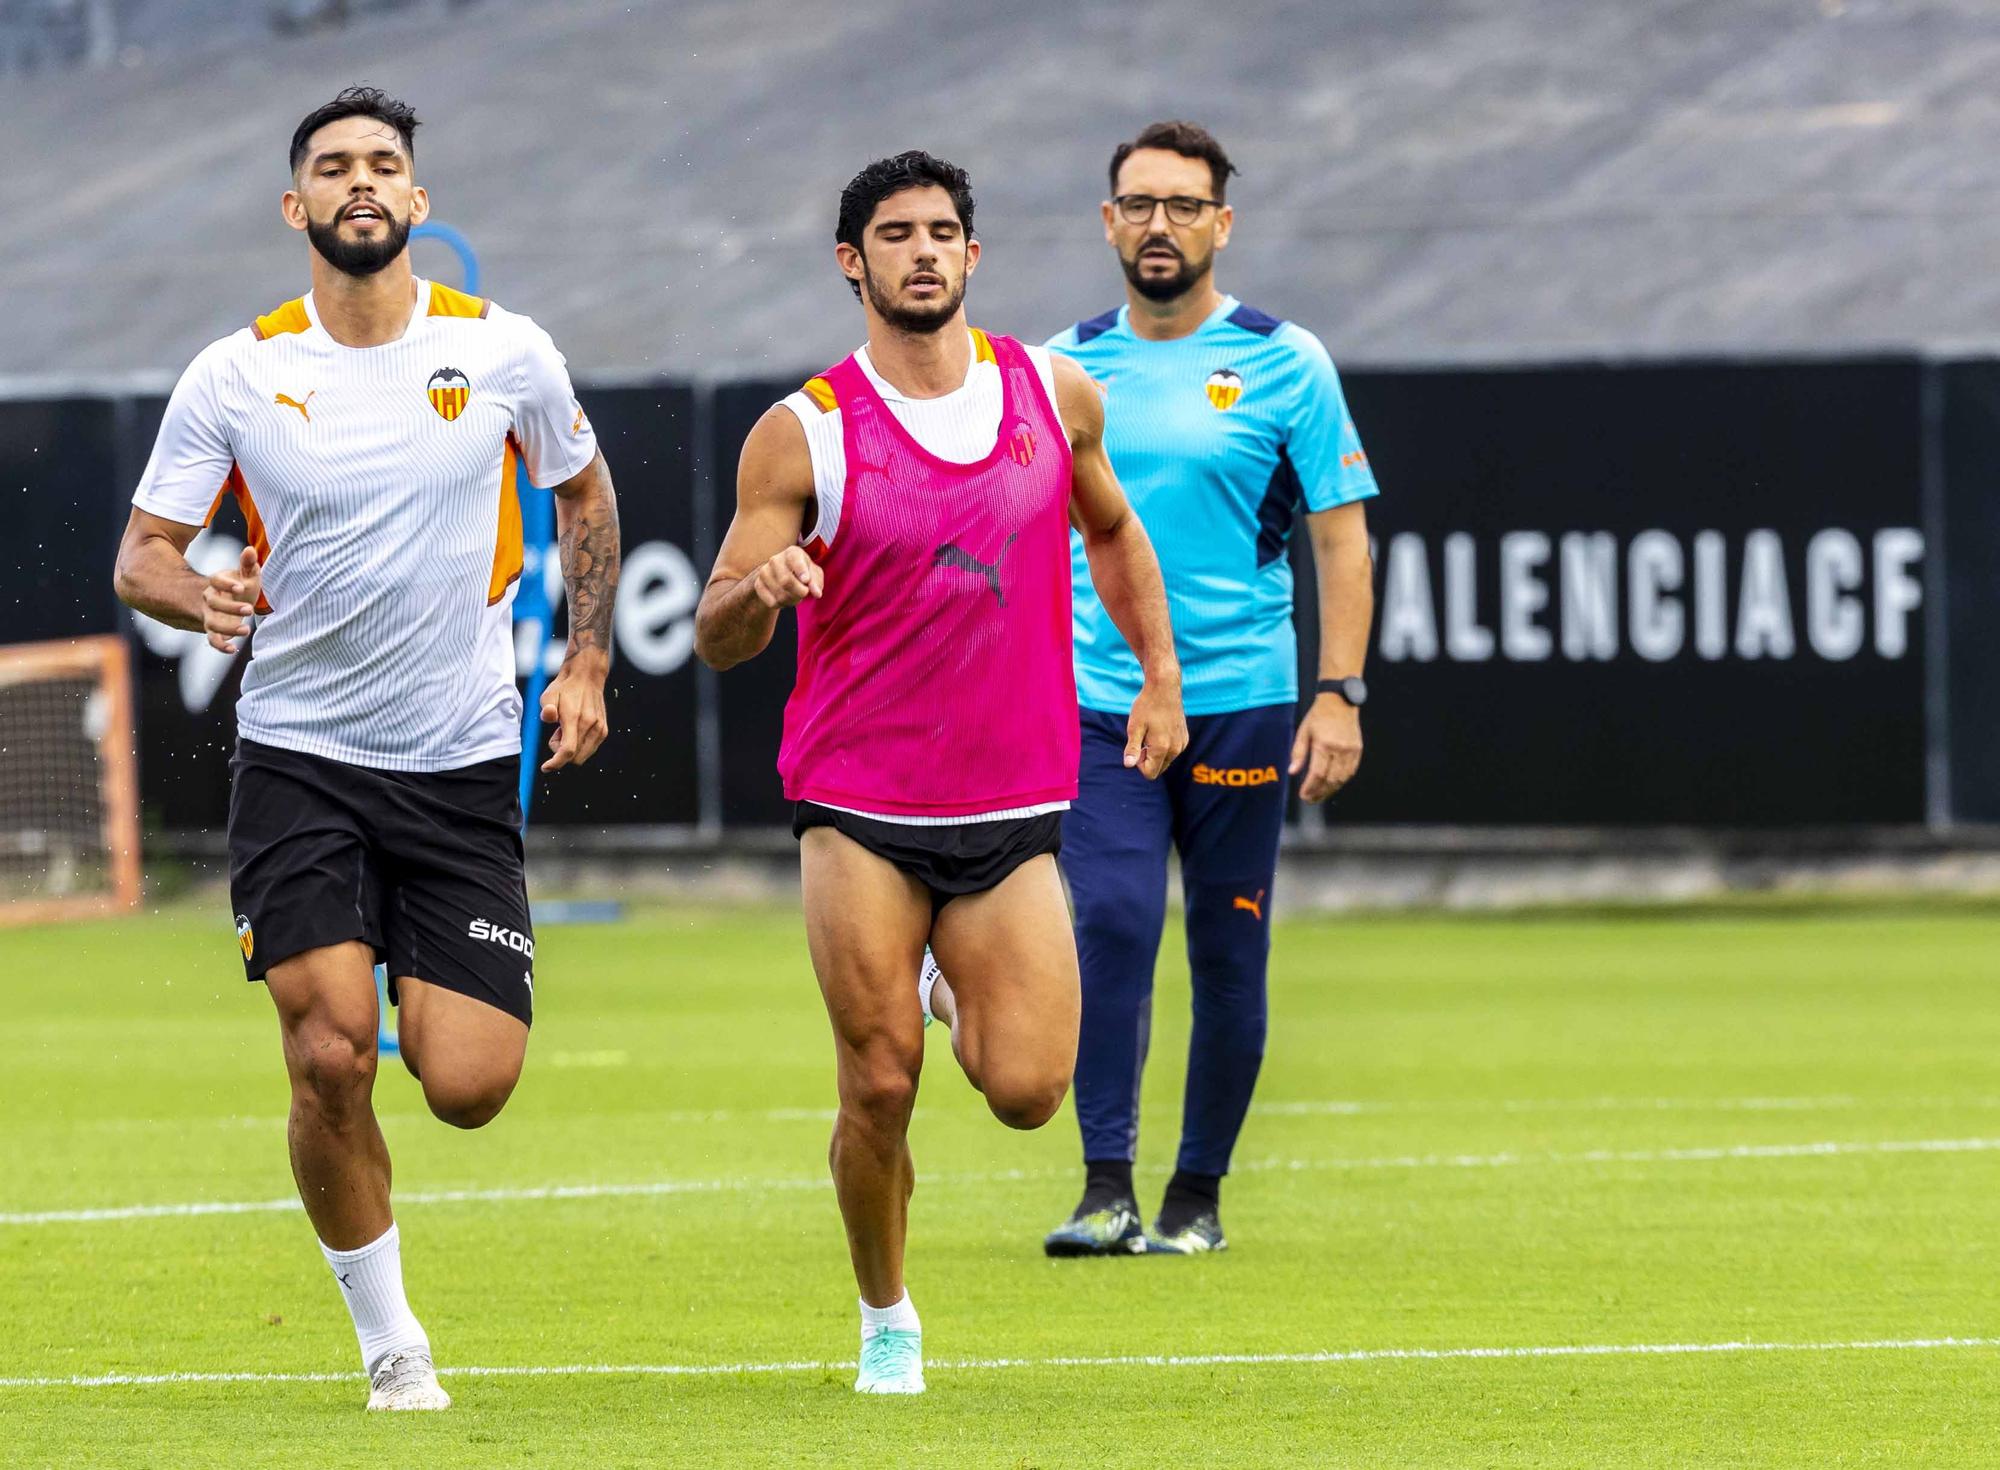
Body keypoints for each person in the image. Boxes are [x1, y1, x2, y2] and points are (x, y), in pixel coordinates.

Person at [111, 86, 620, 1410]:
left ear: (418, 200)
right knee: (330, 1054)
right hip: (298, 759)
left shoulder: (505, 351)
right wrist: (196, 592)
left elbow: (583, 486)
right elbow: (141, 557)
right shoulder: (237, 372)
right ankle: (393, 1346)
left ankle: (420, 971)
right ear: (297, 208)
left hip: (455, 767)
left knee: (467, 1085)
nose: (360, 184)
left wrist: (587, 658)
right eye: (332, 168)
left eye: (383, 165)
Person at [694, 151, 1185, 1394]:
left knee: (1027, 1091)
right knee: (878, 1081)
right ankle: (886, 1316)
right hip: (856, 802)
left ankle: (940, 976)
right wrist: (761, 587)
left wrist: (1162, 679)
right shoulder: (801, 431)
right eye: (895, 234)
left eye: (943, 233)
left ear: (973, 256)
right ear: (853, 262)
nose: (922, 251)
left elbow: (1114, 531)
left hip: (1014, 800)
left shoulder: (1053, 394)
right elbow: (713, 627)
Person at [1037, 121, 1379, 1257]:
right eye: (1138, 204)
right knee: (1112, 921)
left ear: (1220, 225)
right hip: (1099, 703)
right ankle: (1103, 1187)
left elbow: (1340, 539)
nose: (1158, 226)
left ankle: (1196, 1197)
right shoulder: (1058, 370)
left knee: (1228, 948)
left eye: (1183, 206)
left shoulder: (1289, 362)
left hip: (1242, 697)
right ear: (1107, 222)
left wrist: (1338, 692)